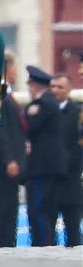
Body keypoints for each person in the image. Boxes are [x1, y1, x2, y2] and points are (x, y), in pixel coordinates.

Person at [23, 66, 67, 246]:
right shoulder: (49, 102)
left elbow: (29, 126)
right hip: (47, 164)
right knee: (42, 208)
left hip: (43, 165)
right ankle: (44, 241)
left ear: (35, 85)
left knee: (38, 207)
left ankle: (43, 243)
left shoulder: (43, 104)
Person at [0, 52, 26, 247]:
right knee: (3, 208)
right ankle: (2, 243)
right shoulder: (1, 94)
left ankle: (8, 242)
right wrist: (8, 159)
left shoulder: (8, 93)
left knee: (10, 207)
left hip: (14, 162)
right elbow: (1, 130)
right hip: (5, 165)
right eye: (14, 67)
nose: (16, 71)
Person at [50, 74, 81, 246]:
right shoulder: (46, 111)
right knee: (47, 229)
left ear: (68, 90)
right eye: (53, 87)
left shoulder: (77, 113)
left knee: (73, 229)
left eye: (60, 87)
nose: (55, 91)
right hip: (51, 181)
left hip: (71, 179)